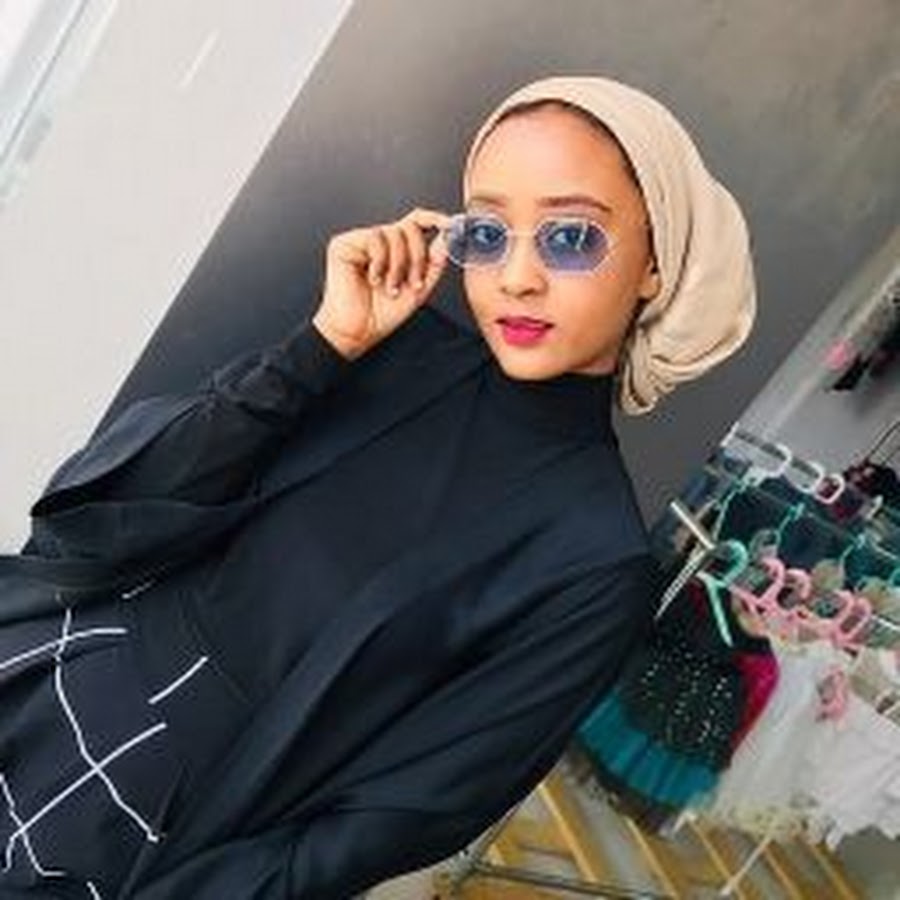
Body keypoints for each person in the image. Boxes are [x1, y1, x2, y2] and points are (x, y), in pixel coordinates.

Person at [0, 75, 756, 898]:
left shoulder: (595, 562)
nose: (517, 276)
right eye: (488, 232)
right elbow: (115, 512)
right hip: (43, 671)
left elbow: (385, 825)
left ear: (655, 264)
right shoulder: (393, 349)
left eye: (571, 237)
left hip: (140, 826)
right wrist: (322, 346)